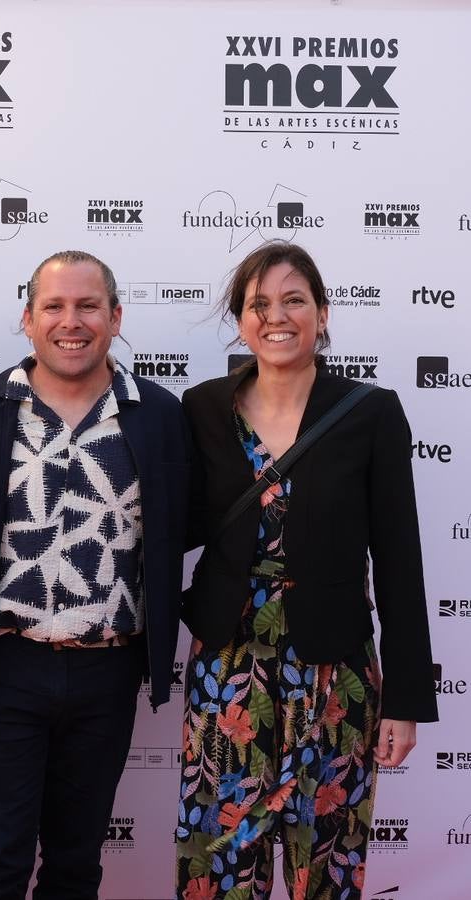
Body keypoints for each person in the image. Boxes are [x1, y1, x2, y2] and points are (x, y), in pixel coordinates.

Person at [174, 241, 437, 899]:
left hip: (335, 674)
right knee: (219, 866)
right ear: (240, 319)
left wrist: (405, 701)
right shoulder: (203, 409)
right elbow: (173, 524)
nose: (276, 316)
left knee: (326, 867)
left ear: (322, 313)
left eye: (294, 300)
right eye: (259, 303)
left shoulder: (371, 413)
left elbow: (400, 564)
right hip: (227, 671)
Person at [0, 250, 192, 899]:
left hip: (105, 675)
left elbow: (187, 529)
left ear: (115, 317)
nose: (71, 321)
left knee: (76, 866)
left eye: (88, 306)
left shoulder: (161, 416)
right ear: (27, 319)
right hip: (2, 673)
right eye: (54, 306)